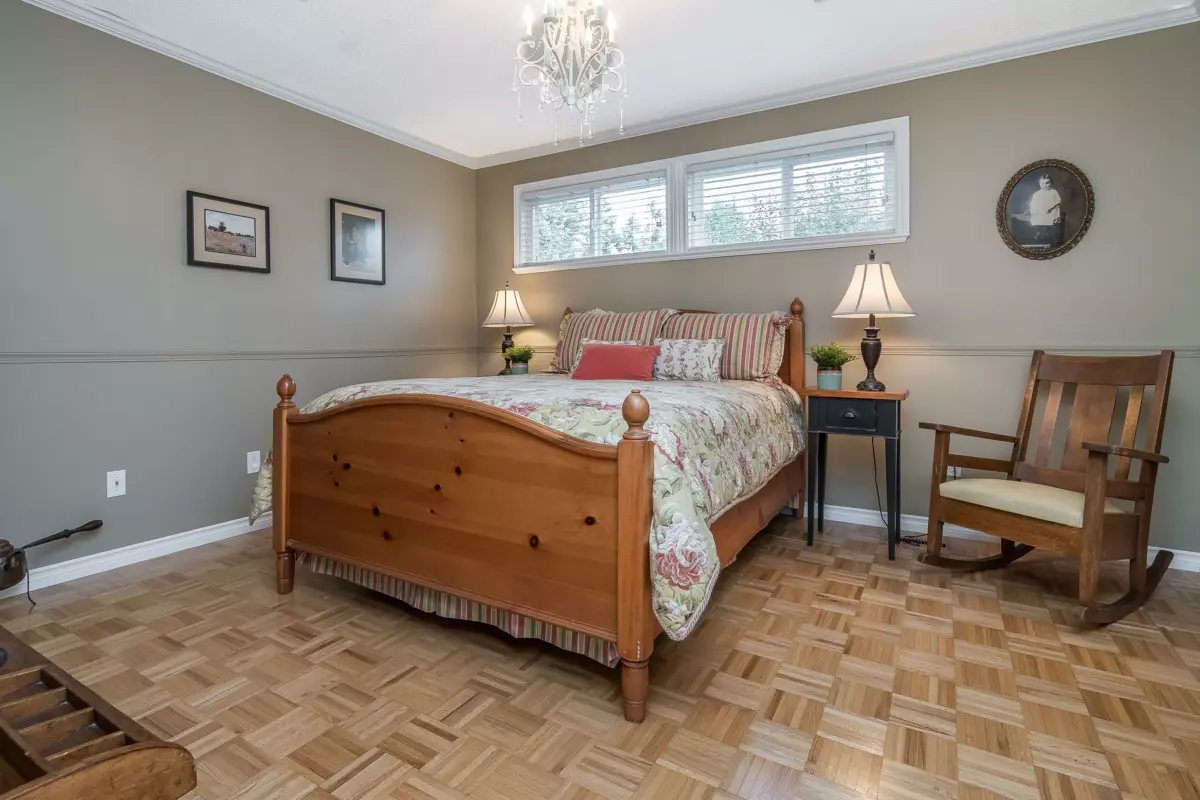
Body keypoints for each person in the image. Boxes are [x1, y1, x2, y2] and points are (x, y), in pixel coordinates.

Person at [1027, 173, 1064, 248]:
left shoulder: (1054, 192)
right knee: (1038, 219)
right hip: (1040, 212)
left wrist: (1051, 208)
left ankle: (1048, 236)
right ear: (1039, 183)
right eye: (1042, 183)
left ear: (1051, 183)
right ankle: (1040, 234)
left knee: (1050, 221)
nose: (1045, 185)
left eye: (1047, 183)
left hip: (1051, 211)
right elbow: (1033, 204)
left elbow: (1058, 202)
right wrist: (1029, 211)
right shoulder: (1037, 194)